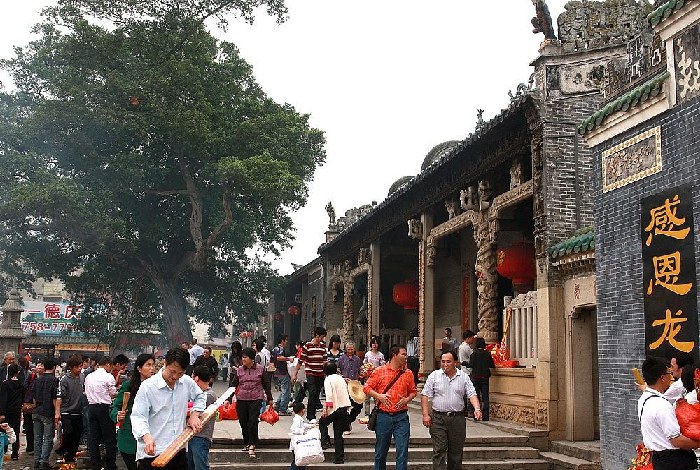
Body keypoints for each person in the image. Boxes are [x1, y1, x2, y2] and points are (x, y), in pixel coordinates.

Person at [130, 347, 206, 470]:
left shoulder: (186, 382)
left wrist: (194, 415)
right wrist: (146, 437)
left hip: (178, 450)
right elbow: (138, 417)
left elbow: (200, 396)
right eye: (172, 371)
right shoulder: (148, 387)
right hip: (153, 453)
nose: (175, 376)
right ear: (165, 363)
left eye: (180, 373)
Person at [421, 351, 482, 470]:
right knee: (439, 449)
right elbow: (425, 395)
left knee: (456, 452)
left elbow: (472, 393)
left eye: (448, 361)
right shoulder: (434, 375)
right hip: (438, 419)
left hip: (457, 419)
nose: (445, 364)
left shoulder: (463, 377)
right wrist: (425, 415)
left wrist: (477, 408)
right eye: (443, 361)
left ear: (455, 362)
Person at [638, 356, 700, 469]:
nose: (670, 375)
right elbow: (677, 441)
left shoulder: (644, 399)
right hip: (674, 461)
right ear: (662, 378)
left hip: (660, 459)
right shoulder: (661, 405)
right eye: (668, 373)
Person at [363, 345, 417, 470]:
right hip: (383, 416)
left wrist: (406, 400)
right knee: (380, 452)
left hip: (401, 417)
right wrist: (379, 396)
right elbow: (366, 387)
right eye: (403, 354)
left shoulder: (408, 373)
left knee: (402, 452)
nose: (406, 357)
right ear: (394, 355)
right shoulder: (379, 371)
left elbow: (413, 391)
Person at [110, 353, 156, 470]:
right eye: (148, 365)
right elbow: (115, 407)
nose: (152, 368)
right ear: (139, 368)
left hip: (151, 435)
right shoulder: (128, 386)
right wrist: (117, 415)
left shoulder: (157, 387)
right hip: (129, 436)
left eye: (153, 365)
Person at [230, 347, 273, 459]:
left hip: (256, 398)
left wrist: (270, 398)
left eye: (245, 357)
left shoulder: (260, 369)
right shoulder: (239, 370)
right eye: (242, 357)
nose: (243, 359)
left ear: (252, 358)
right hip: (242, 398)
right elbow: (233, 385)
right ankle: (247, 442)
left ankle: (252, 444)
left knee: (252, 421)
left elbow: (266, 384)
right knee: (243, 421)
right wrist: (228, 399)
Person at [85, 356, 118, 470]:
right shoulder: (108, 376)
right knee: (109, 437)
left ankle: (95, 464)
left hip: (91, 408)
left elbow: (86, 391)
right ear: (108, 364)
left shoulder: (89, 376)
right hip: (105, 408)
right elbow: (113, 393)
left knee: (93, 437)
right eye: (111, 366)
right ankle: (110, 464)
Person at [292, 327, 327, 422]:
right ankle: (310, 416)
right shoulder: (307, 346)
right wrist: (295, 374)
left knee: (316, 394)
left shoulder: (323, 346)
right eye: (322, 337)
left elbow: (324, 361)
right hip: (310, 372)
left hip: (320, 373)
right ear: (317, 335)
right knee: (312, 392)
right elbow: (300, 361)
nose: (322, 339)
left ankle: (312, 414)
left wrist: (327, 373)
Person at [318, 361, 351, 464]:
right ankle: (339, 458)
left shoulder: (328, 380)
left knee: (322, 422)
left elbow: (329, 396)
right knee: (338, 434)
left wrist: (326, 410)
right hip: (344, 408)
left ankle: (325, 442)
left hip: (335, 409)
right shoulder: (341, 378)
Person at [55, 355, 84, 466]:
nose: (79, 369)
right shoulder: (64, 379)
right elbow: (59, 396)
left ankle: (70, 455)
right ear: (71, 367)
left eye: (80, 366)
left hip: (78, 411)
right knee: (68, 432)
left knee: (77, 434)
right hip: (66, 411)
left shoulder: (82, 377)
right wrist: (57, 412)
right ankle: (63, 449)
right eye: (77, 367)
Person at [187, 366, 217, 470]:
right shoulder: (196, 395)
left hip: (201, 436)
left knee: (200, 466)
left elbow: (194, 413)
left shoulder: (208, 395)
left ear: (196, 378)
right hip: (191, 436)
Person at [31, 358, 58, 470]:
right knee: (48, 438)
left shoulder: (37, 380)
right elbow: (55, 398)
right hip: (47, 411)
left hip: (36, 410)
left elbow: (33, 397)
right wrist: (57, 412)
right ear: (54, 367)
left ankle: (37, 460)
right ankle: (44, 461)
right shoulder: (54, 380)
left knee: (37, 437)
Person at [466, 337, 495, 421]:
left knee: (476, 396)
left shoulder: (473, 354)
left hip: (476, 377)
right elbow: (492, 365)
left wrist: (464, 363)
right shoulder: (487, 354)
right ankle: (486, 416)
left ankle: (477, 415)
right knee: (485, 397)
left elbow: (471, 365)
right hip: (485, 377)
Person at [0, 363, 23, 460]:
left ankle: (4, 450)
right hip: (16, 410)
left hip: (7, 411)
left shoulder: (5, 384)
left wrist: (2, 412)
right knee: (16, 431)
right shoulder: (21, 384)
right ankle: (15, 453)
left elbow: (3, 399)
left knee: (4, 430)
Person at [338, 342, 363, 426]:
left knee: (359, 405)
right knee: (344, 405)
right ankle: (345, 425)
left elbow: (360, 371)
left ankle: (348, 420)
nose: (350, 351)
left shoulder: (357, 359)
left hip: (355, 385)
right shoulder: (341, 359)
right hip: (344, 385)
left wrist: (362, 376)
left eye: (352, 349)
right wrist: (343, 378)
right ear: (346, 349)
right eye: (348, 349)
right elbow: (337, 371)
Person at [23, 361, 43, 456]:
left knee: (39, 429)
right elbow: (24, 387)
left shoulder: (46, 378)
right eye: (38, 365)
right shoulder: (31, 376)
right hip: (29, 405)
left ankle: (38, 448)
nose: (39, 367)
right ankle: (30, 447)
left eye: (41, 365)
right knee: (29, 427)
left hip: (40, 407)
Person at [289, 402, 314, 470]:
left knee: (300, 462)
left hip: (298, 444)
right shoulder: (297, 419)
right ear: (302, 410)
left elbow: (303, 425)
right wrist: (302, 432)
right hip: (297, 444)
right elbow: (294, 429)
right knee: (298, 462)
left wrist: (310, 426)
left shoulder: (299, 419)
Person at [272, 335, 293, 416]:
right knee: (286, 392)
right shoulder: (280, 349)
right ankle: (282, 409)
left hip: (278, 372)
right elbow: (279, 358)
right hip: (282, 372)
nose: (287, 341)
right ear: (282, 341)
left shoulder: (275, 349)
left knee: (284, 390)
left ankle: (277, 405)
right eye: (286, 340)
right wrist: (288, 359)